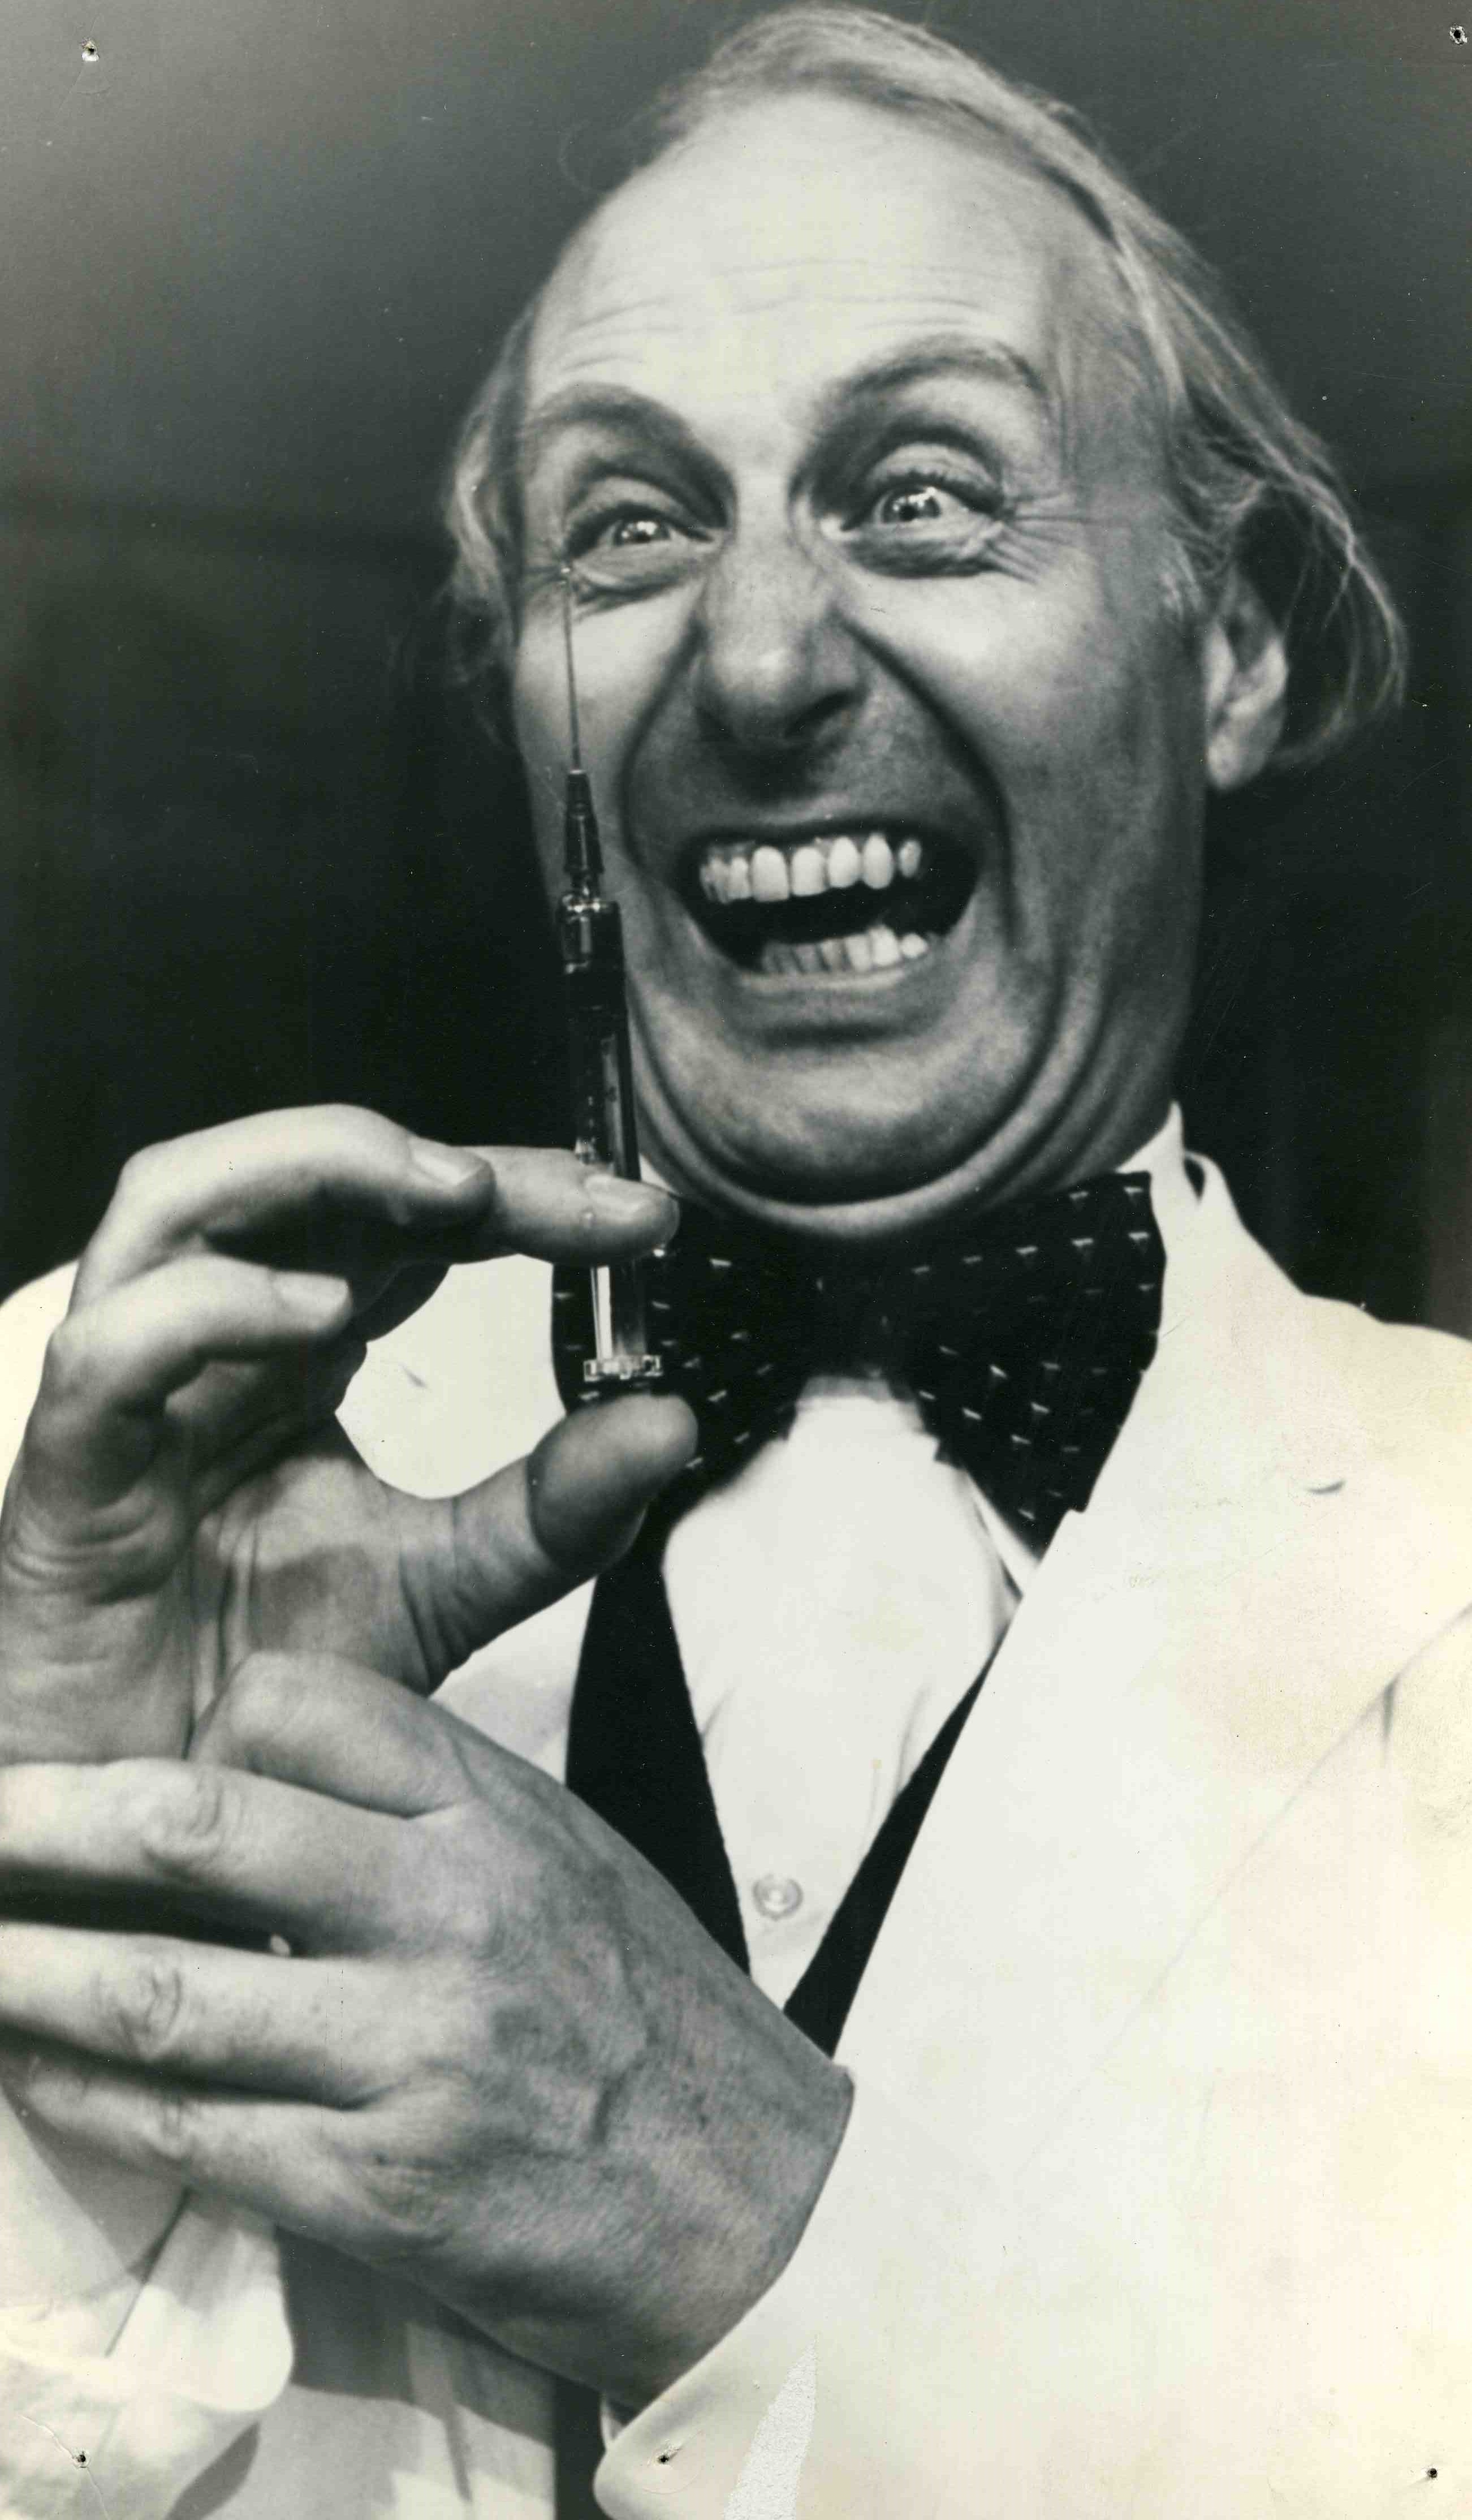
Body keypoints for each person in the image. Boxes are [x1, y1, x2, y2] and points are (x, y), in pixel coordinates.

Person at [2, 9, 1468, 2515]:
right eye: (628, 530)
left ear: (1223, 642)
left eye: (922, 497)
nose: (764, 662)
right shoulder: (70, 1456)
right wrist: (57, 1912)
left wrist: (752, 2236)